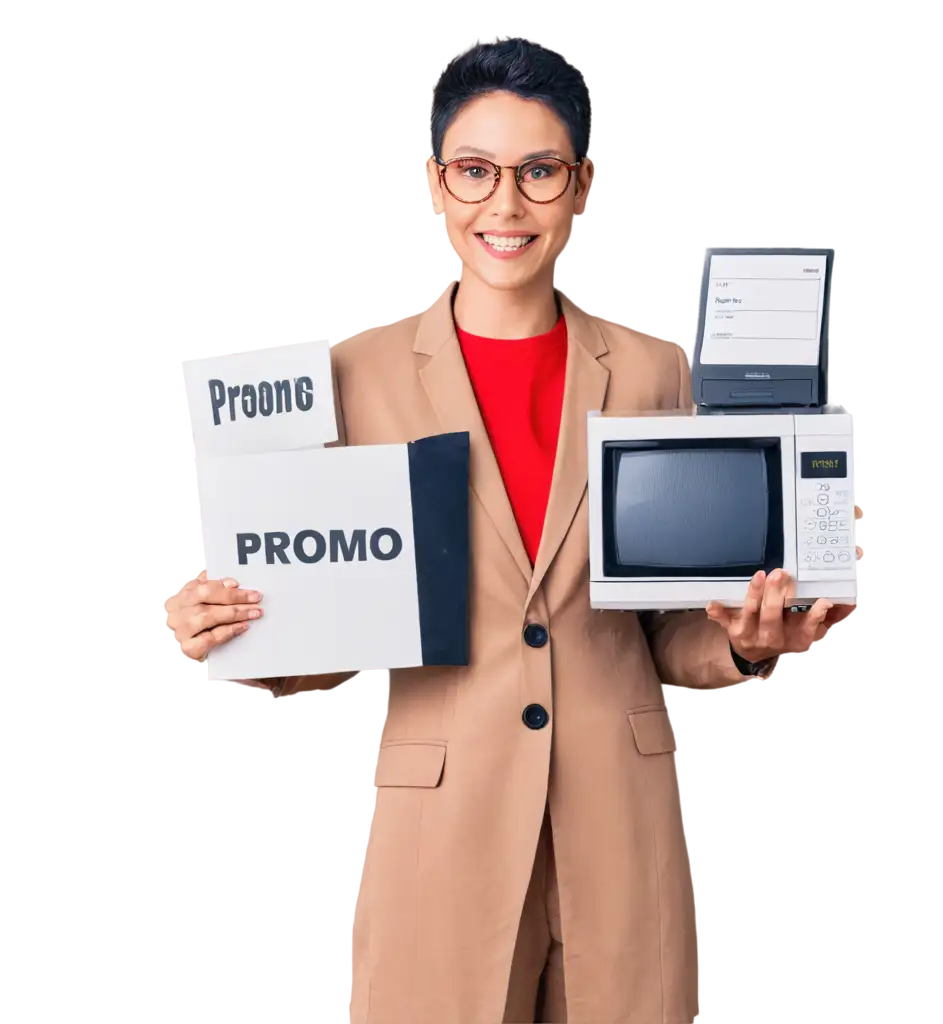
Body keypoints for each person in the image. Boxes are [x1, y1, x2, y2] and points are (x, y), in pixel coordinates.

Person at [160, 39, 852, 1024]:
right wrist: (240, 627)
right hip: (440, 825)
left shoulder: (658, 376)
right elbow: (327, 629)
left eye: (539, 171)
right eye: (476, 170)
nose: (506, 204)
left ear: (581, 185)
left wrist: (742, 645)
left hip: (618, 824)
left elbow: (662, 629)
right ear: (433, 185)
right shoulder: (351, 379)